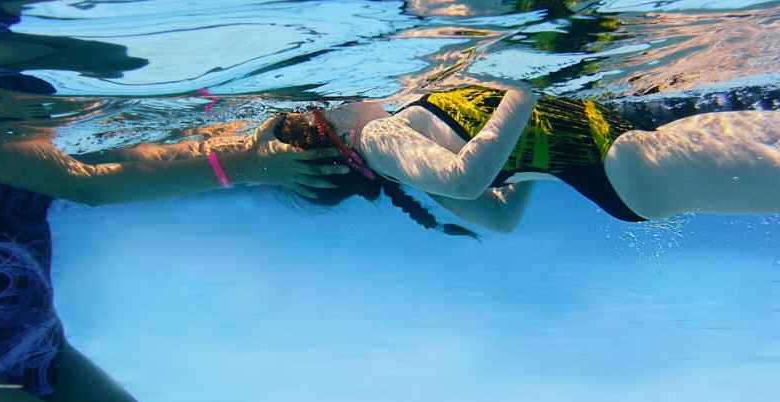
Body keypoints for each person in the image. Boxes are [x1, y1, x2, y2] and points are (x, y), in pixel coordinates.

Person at [0, 111, 347, 402]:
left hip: (34, 340)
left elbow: (120, 159)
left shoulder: (19, 117)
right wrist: (247, 164)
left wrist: (247, 148)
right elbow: (85, 183)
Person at [268, 81, 780, 236]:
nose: (345, 95)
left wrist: (527, 147)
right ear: (333, 128)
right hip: (632, 161)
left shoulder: (400, 155)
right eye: (328, 104)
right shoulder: (378, 135)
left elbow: (500, 216)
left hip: (636, 173)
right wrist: (523, 91)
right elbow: (467, 180)